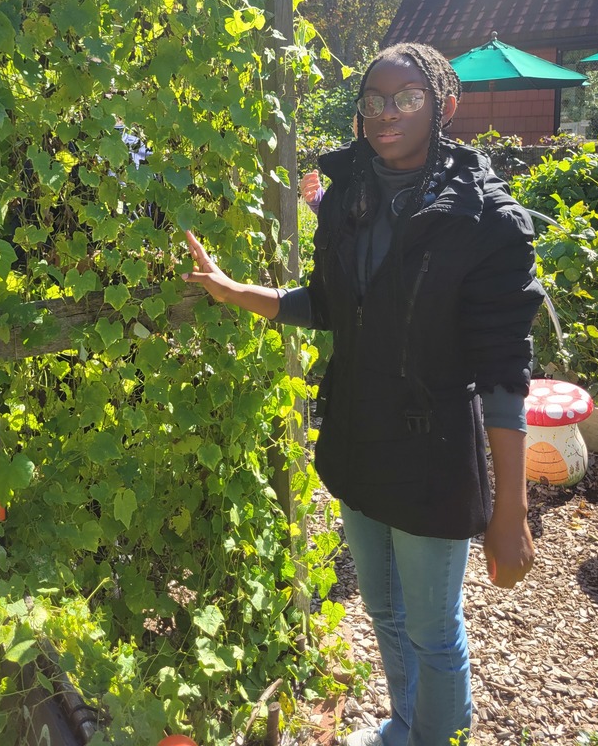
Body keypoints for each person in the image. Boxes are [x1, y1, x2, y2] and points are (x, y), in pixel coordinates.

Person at [183, 42, 544, 746]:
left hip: (433, 448)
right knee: (383, 610)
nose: (386, 114)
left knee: (434, 630)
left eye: (406, 98)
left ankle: (434, 736)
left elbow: (504, 372)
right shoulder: (349, 191)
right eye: (374, 100)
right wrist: (235, 293)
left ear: (444, 105)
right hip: (356, 433)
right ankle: (405, 726)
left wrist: (511, 510)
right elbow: (330, 303)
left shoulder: (485, 220)